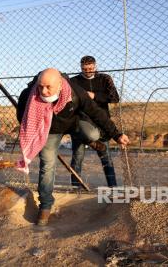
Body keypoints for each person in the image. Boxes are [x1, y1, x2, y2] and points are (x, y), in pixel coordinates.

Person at [16, 68, 129, 226]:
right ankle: (45, 206)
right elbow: (22, 116)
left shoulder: (75, 92)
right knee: (47, 164)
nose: (43, 91)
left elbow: (95, 112)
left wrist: (116, 134)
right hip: (51, 131)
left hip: (74, 123)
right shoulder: (29, 94)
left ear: (61, 85)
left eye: (49, 87)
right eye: (41, 86)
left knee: (94, 135)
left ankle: (87, 139)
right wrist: (36, 131)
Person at [70, 56, 120, 187]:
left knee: (106, 158)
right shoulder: (74, 81)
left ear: (95, 66)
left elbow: (114, 97)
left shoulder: (104, 78)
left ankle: (113, 188)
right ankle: (76, 188)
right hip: (81, 124)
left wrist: (94, 96)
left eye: (91, 69)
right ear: (81, 68)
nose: (88, 71)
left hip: (102, 123)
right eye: (85, 69)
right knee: (77, 158)